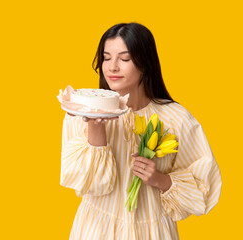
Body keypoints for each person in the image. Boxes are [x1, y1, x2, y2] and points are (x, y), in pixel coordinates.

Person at [60, 22, 222, 239]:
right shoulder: (81, 111)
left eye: (124, 59)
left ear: (145, 63)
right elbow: (90, 185)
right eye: (106, 58)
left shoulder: (176, 118)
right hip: (96, 230)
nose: (112, 67)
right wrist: (95, 126)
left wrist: (159, 179)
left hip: (153, 232)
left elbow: (205, 188)